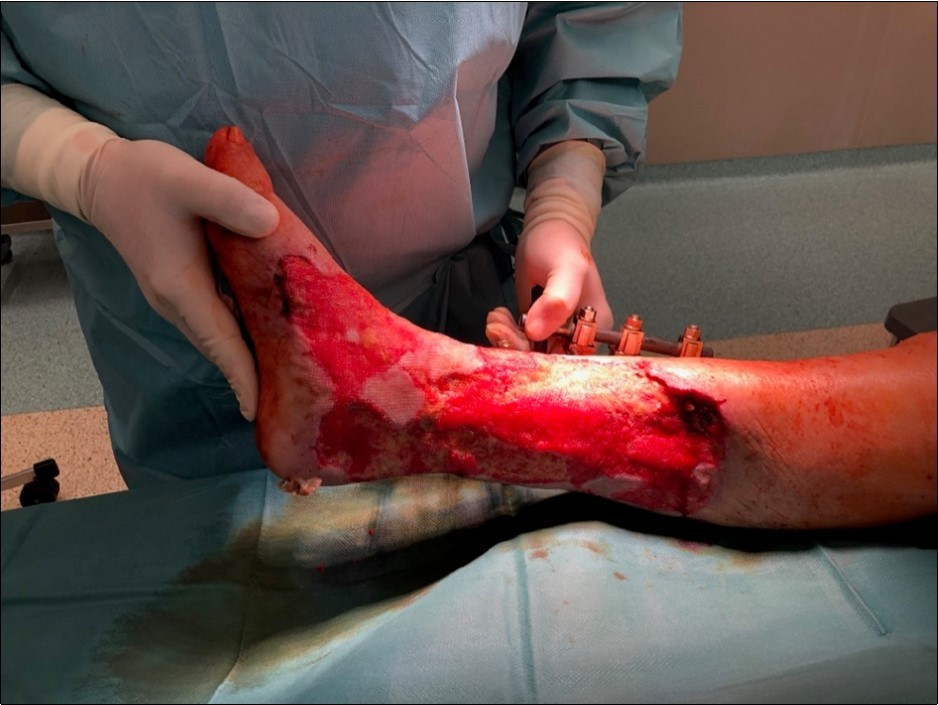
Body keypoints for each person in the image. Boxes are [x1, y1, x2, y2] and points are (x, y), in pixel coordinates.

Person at [1, 3, 683, 486]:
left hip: (457, 306)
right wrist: (78, 165)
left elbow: (591, 16)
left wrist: (563, 193)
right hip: (190, 354)